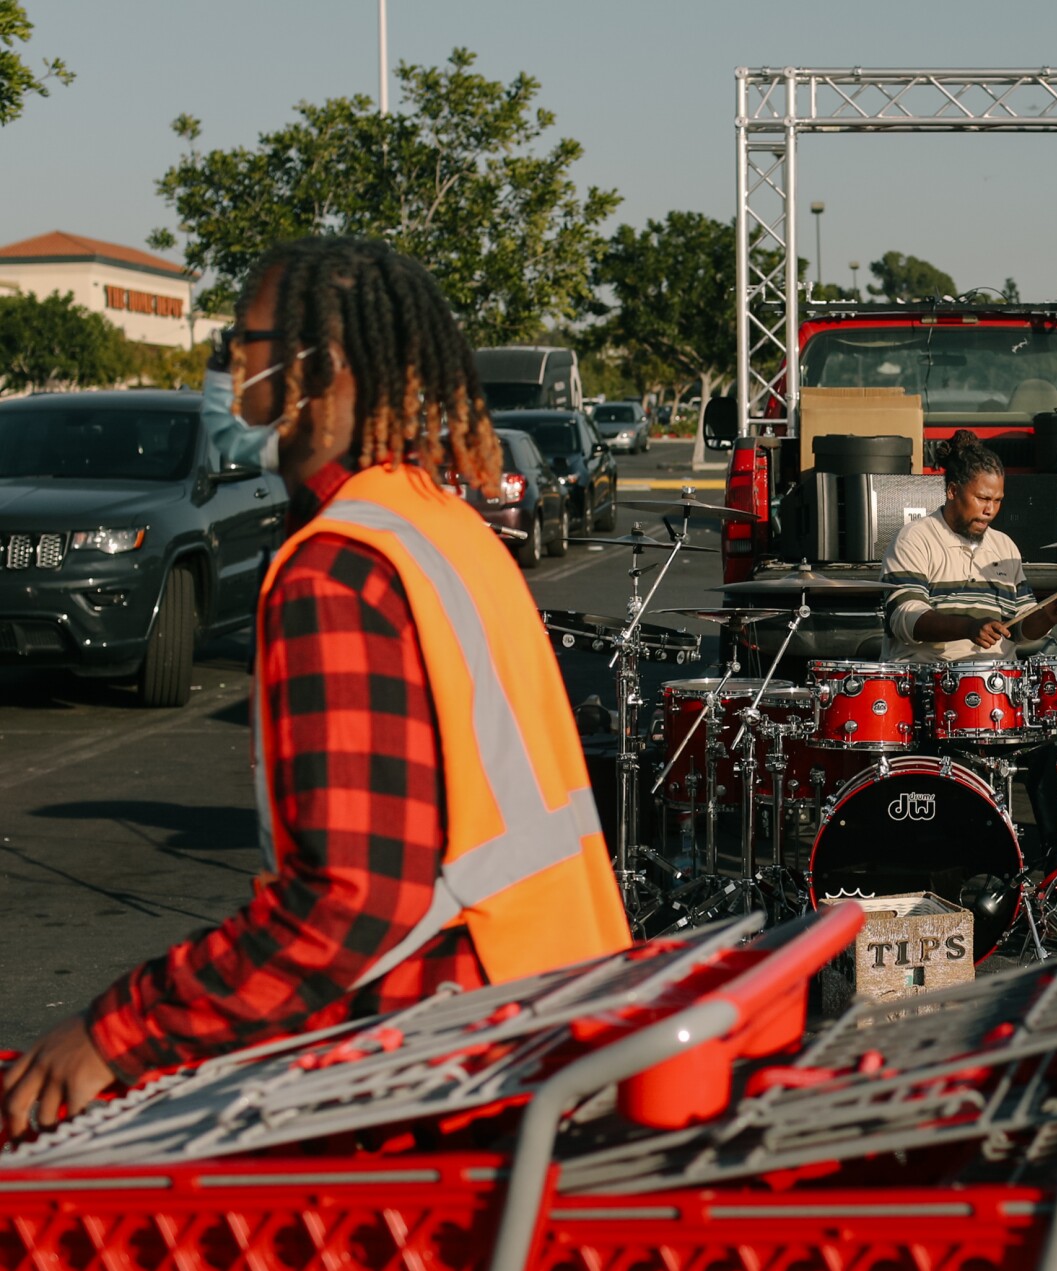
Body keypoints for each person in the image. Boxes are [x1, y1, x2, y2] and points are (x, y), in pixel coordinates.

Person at [1, 236, 631, 1140]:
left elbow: (347, 902)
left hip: (443, 1071)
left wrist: (116, 1031)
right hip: (545, 1028)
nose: (223, 370)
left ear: (317, 369)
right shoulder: (434, 521)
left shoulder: (336, 570)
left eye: (239, 345)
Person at [882, 432, 1057, 660]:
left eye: (998, 500)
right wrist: (968, 628)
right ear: (952, 491)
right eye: (983, 499)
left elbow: (1019, 630)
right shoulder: (915, 538)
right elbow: (905, 617)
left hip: (998, 684)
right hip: (930, 681)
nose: (990, 510)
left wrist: (1047, 616)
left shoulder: (1005, 546)